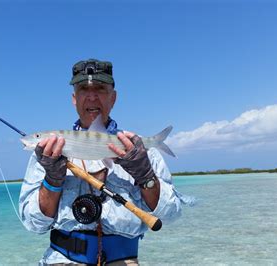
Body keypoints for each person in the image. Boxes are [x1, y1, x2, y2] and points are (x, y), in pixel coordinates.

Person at [19, 59, 185, 265]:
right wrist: (52, 180)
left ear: (113, 98)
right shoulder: (47, 153)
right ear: (74, 98)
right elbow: (33, 225)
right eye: (83, 89)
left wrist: (146, 176)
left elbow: (171, 215)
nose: (91, 96)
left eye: (100, 89)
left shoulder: (139, 150)